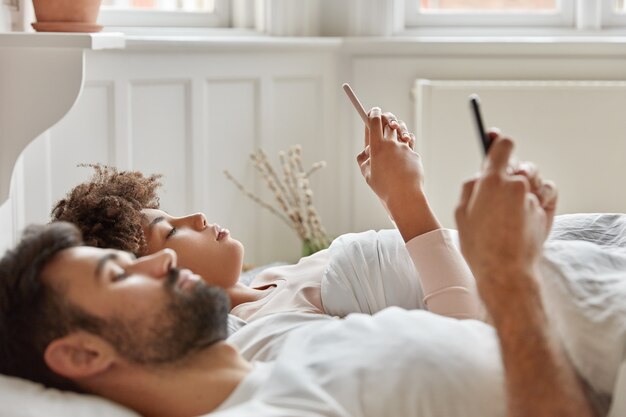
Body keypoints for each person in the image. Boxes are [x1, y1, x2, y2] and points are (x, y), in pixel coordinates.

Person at [0, 108, 595, 417]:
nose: (161, 264)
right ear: (83, 352)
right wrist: (507, 274)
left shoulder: (295, 368)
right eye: (118, 271)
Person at [50, 114, 483, 323]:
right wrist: (406, 198)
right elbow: (462, 342)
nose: (197, 217)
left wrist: (391, 185)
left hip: (502, 251)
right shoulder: (266, 327)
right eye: (171, 231)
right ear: (154, 274)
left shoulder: (269, 278)